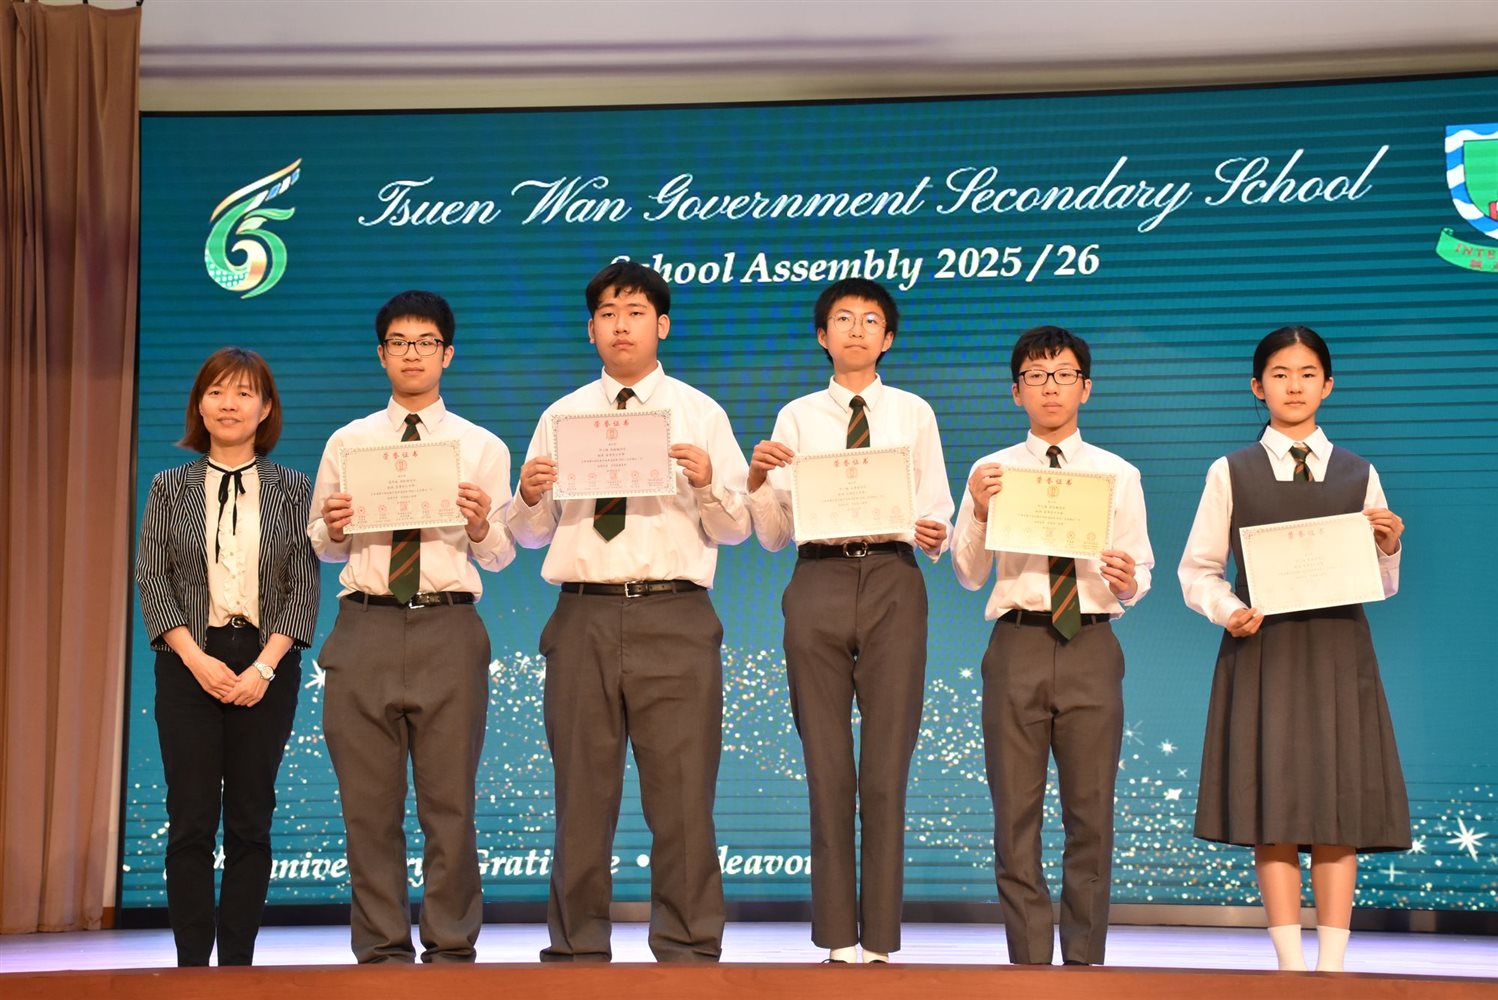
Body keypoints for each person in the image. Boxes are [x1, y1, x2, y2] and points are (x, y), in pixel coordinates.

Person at [508, 260, 751, 963]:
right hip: (582, 614)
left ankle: (688, 947)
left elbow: (738, 527)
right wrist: (529, 495)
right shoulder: (561, 416)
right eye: (608, 314)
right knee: (581, 794)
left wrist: (708, 483)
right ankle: (576, 950)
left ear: (662, 325)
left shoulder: (701, 414)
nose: (622, 325)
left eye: (636, 312)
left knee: (682, 796)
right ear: (591, 329)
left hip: (675, 613)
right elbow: (529, 535)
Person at [1179, 325, 1408, 973]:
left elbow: (1382, 582)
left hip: (1339, 650)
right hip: (1264, 651)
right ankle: (1288, 965)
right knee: (1273, 806)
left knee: (1338, 808)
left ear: (1328, 385)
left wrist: (1389, 545)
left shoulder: (1360, 472)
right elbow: (1198, 570)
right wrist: (1229, 610)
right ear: (1258, 387)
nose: (1295, 386)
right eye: (1280, 374)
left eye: (1308, 374)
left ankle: (1332, 967)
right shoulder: (1230, 470)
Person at [745, 278, 952, 964]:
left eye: (870, 320)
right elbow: (774, 534)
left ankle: (882, 941)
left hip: (894, 577)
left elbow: (937, 508)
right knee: (827, 765)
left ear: (888, 338)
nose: (856, 329)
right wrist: (757, 482)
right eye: (842, 318)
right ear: (822, 336)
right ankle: (837, 937)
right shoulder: (796, 416)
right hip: (818, 578)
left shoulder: (914, 412)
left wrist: (936, 533)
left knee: (886, 769)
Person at [308, 290, 515, 963]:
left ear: (447, 355)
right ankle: (380, 951)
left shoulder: (480, 447)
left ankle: (451, 948)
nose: (412, 354)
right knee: (368, 807)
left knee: (449, 804)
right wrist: (332, 526)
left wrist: (480, 524)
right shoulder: (350, 441)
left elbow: (502, 553)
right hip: (364, 624)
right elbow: (321, 543)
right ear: (381, 355)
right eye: (399, 343)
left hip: (448, 627)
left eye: (426, 343)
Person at [951, 325, 1153, 967]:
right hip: (1018, 643)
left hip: (1092, 641)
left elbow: (1141, 571)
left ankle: (1085, 960)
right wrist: (980, 511)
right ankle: (1029, 960)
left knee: (1091, 812)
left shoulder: (1118, 474)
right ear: (1016, 392)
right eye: (1036, 377)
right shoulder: (992, 472)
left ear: (1085, 388)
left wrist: (1129, 581)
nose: (1050, 388)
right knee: (1015, 812)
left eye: (1064, 375)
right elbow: (968, 573)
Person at [136, 347, 319, 966]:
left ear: (265, 408)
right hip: (188, 658)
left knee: (250, 818)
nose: (229, 404)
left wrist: (264, 668)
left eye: (244, 393)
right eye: (216, 392)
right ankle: (192, 966)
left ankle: (237, 966)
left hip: (266, 662)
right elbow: (153, 579)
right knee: (190, 818)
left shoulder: (294, 488)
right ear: (200, 405)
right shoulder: (169, 486)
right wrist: (196, 659)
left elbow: (301, 586)